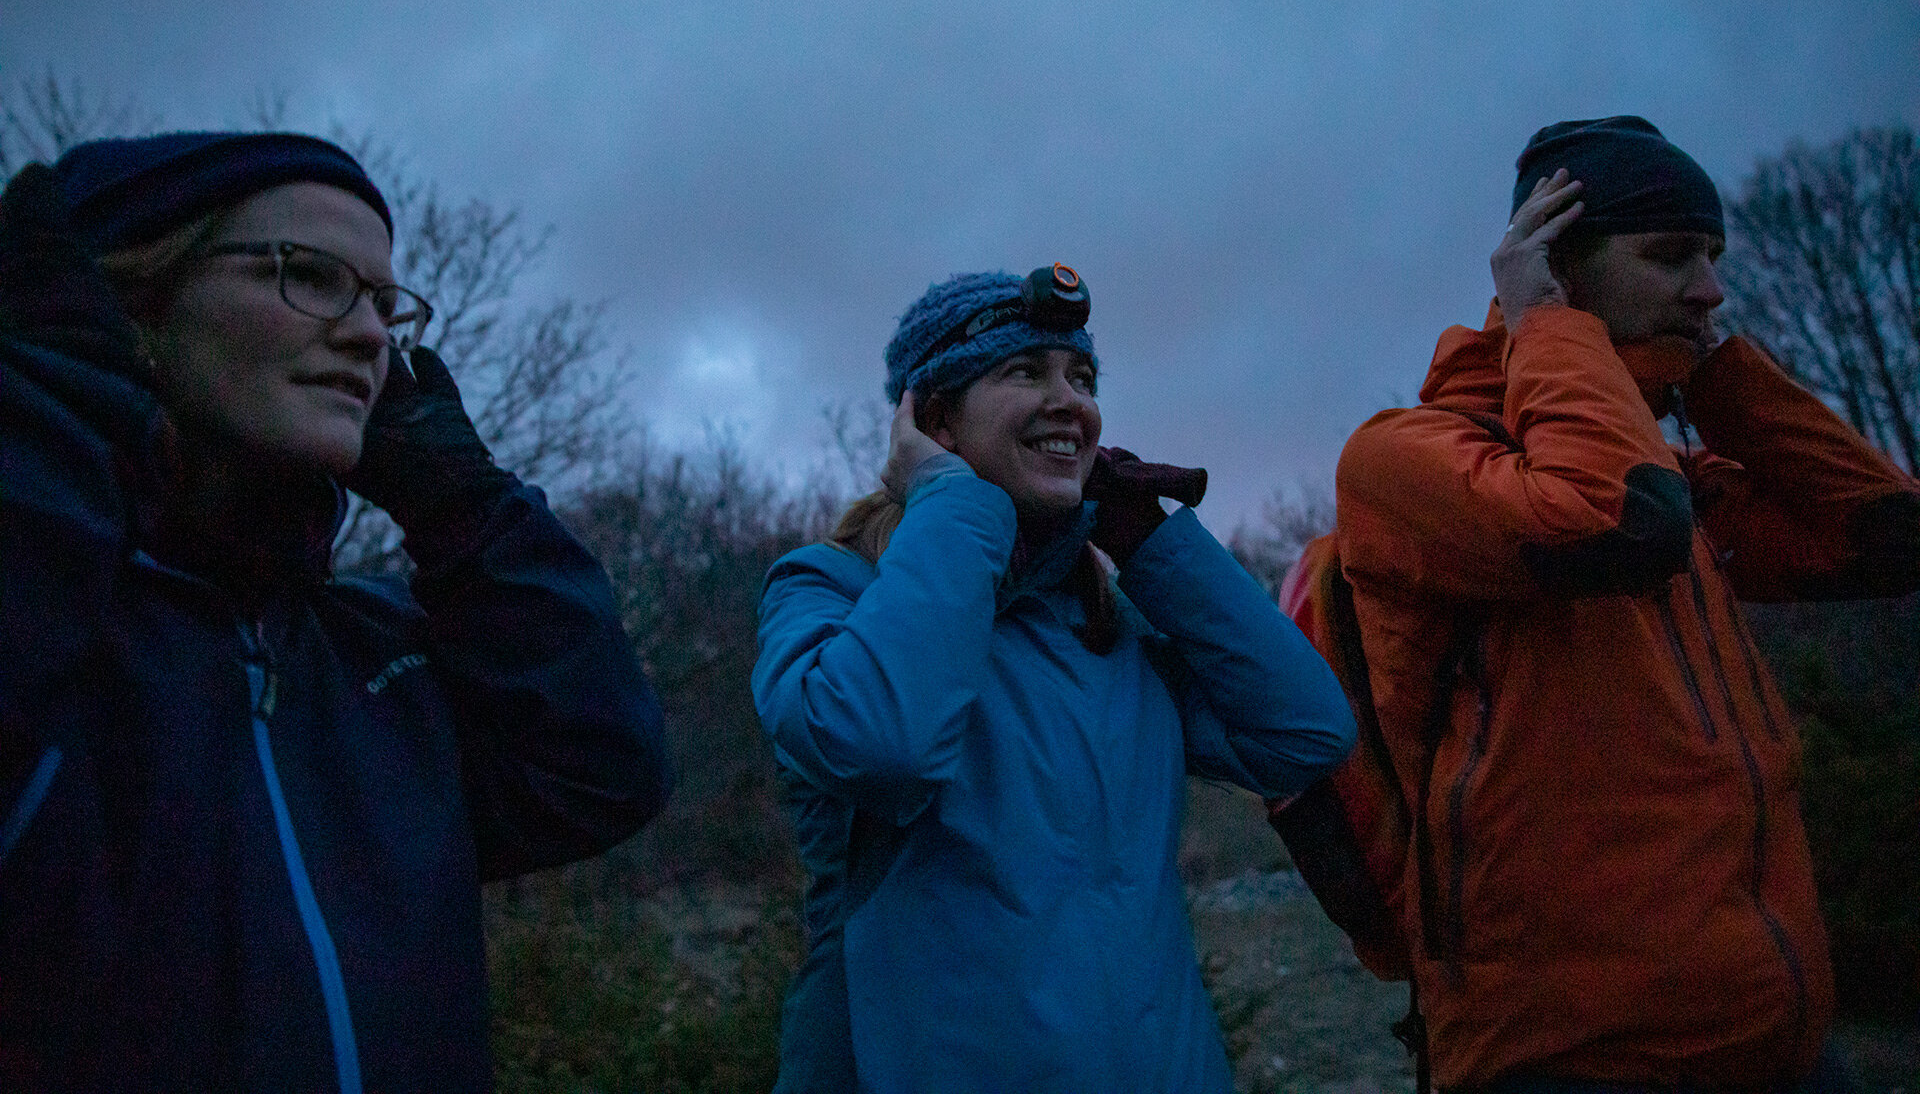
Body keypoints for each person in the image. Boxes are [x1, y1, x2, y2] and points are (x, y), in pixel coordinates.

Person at [0, 132, 671, 1092]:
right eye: (311, 277)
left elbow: (601, 771)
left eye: (384, 304)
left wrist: (467, 506)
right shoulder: (60, 642)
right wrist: (48, 407)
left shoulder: (375, 650)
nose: (369, 335)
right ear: (132, 298)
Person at [1331, 116, 1920, 1092]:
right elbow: (1613, 522)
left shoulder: (1667, 473)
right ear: (1553, 265)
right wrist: (1549, 330)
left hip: (1781, 1039)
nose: (1712, 286)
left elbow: (1889, 533)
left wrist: (1718, 377)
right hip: (1571, 1062)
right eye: (1671, 255)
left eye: (1714, 258)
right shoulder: (1405, 458)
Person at [754, 264, 1356, 1093]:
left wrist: (1151, 542)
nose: (1069, 399)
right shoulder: (829, 592)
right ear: (934, 421)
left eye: (1082, 377)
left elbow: (1307, 732)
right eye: (1024, 372)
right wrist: (952, 504)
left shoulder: (1112, 627)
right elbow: (881, 745)